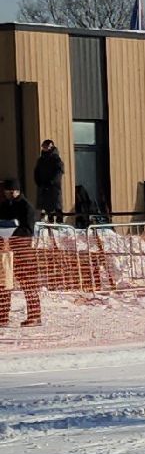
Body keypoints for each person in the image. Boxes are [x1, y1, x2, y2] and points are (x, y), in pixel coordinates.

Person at [0, 178, 42, 326]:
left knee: (28, 283)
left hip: (23, 252)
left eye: (10, 192)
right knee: (4, 284)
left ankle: (35, 316)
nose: (7, 195)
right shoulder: (4, 206)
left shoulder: (27, 207)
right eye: (6, 192)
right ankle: (3, 316)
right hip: (6, 251)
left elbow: (29, 230)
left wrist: (13, 232)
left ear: (17, 191)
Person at [32, 139, 63, 222]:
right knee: (46, 207)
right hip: (43, 186)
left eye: (47, 146)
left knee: (56, 207)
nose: (44, 148)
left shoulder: (56, 159)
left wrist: (51, 182)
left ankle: (60, 224)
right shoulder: (41, 160)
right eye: (43, 146)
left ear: (51, 147)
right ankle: (49, 223)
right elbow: (36, 171)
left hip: (53, 188)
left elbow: (59, 172)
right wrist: (38, 182)